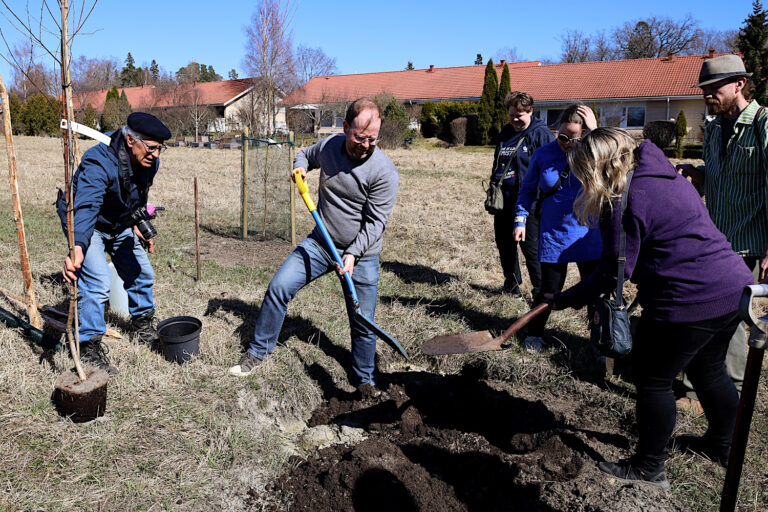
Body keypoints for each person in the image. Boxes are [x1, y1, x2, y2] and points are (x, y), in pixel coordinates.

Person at [552, 127, 753, 489]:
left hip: (689, 297)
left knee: (653, 378)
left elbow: (615, 270)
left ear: (598, 168)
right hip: (733, 288)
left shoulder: (626, 198)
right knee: (709, 371)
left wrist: (564, 299)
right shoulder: (660, 173)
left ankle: (649, 467)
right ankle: (724, 447)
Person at [229, 98, 399, 395]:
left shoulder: (384, 171)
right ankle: (259, 351)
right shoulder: (331, 146)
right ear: (346, 128)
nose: (365, 145)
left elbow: (375, 224)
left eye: (372, 139)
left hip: (362, 255)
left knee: (362, 320)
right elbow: (305, 154)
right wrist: (299, 168)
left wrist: (353, 254)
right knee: (280, 286)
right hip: (321, 243)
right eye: (359, 137)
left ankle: (364, 380)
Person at [676, 54, 768, 414]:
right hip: (713, 242)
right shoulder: (714, 129)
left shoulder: (762, 123)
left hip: (749, 241)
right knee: (705, 311)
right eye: (704, 89)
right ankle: (699, 384)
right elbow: (719, 175)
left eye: (714, 87)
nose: (707, 94)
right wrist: (696, 174)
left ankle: (726, 393)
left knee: (734, 319)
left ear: (740, 84)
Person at [62, 112, 172, 376]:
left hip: (120, 223)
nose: (156, 155)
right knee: (98, 281)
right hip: (91, 226)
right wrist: (78, 246)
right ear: (130, 139)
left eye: (161, 148)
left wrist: (138, 224)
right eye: (151, 147)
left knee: (142, 272)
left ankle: (142, 324)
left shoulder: (148, 161)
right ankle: (88, 345)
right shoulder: (98, 161)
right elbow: (86, 207)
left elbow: (137, 197)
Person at [514, 104, 601, 350]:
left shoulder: (592, 153)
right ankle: (535, 334)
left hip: (588, 235)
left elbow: (616, 158)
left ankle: (599, 340)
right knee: (547, 290)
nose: (567, 143)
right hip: (554, 235)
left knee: (595, 292)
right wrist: (519, 220)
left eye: (575, 138)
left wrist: (595, 132)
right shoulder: (543, 155)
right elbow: (528, 191)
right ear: (556, 131)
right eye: (563, 136)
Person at [489, 92, 553, 299]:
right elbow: (498, 160)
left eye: (520, 115)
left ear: (530, 111)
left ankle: (540, 292)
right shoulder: (505, 133)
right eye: (512, 115)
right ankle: (512, 284)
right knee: (505, 246)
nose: (515, 120)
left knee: (531, 250)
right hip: (504, 201)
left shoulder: (541, 134)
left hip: (530, 204)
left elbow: (551, 167)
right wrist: (493, 185)